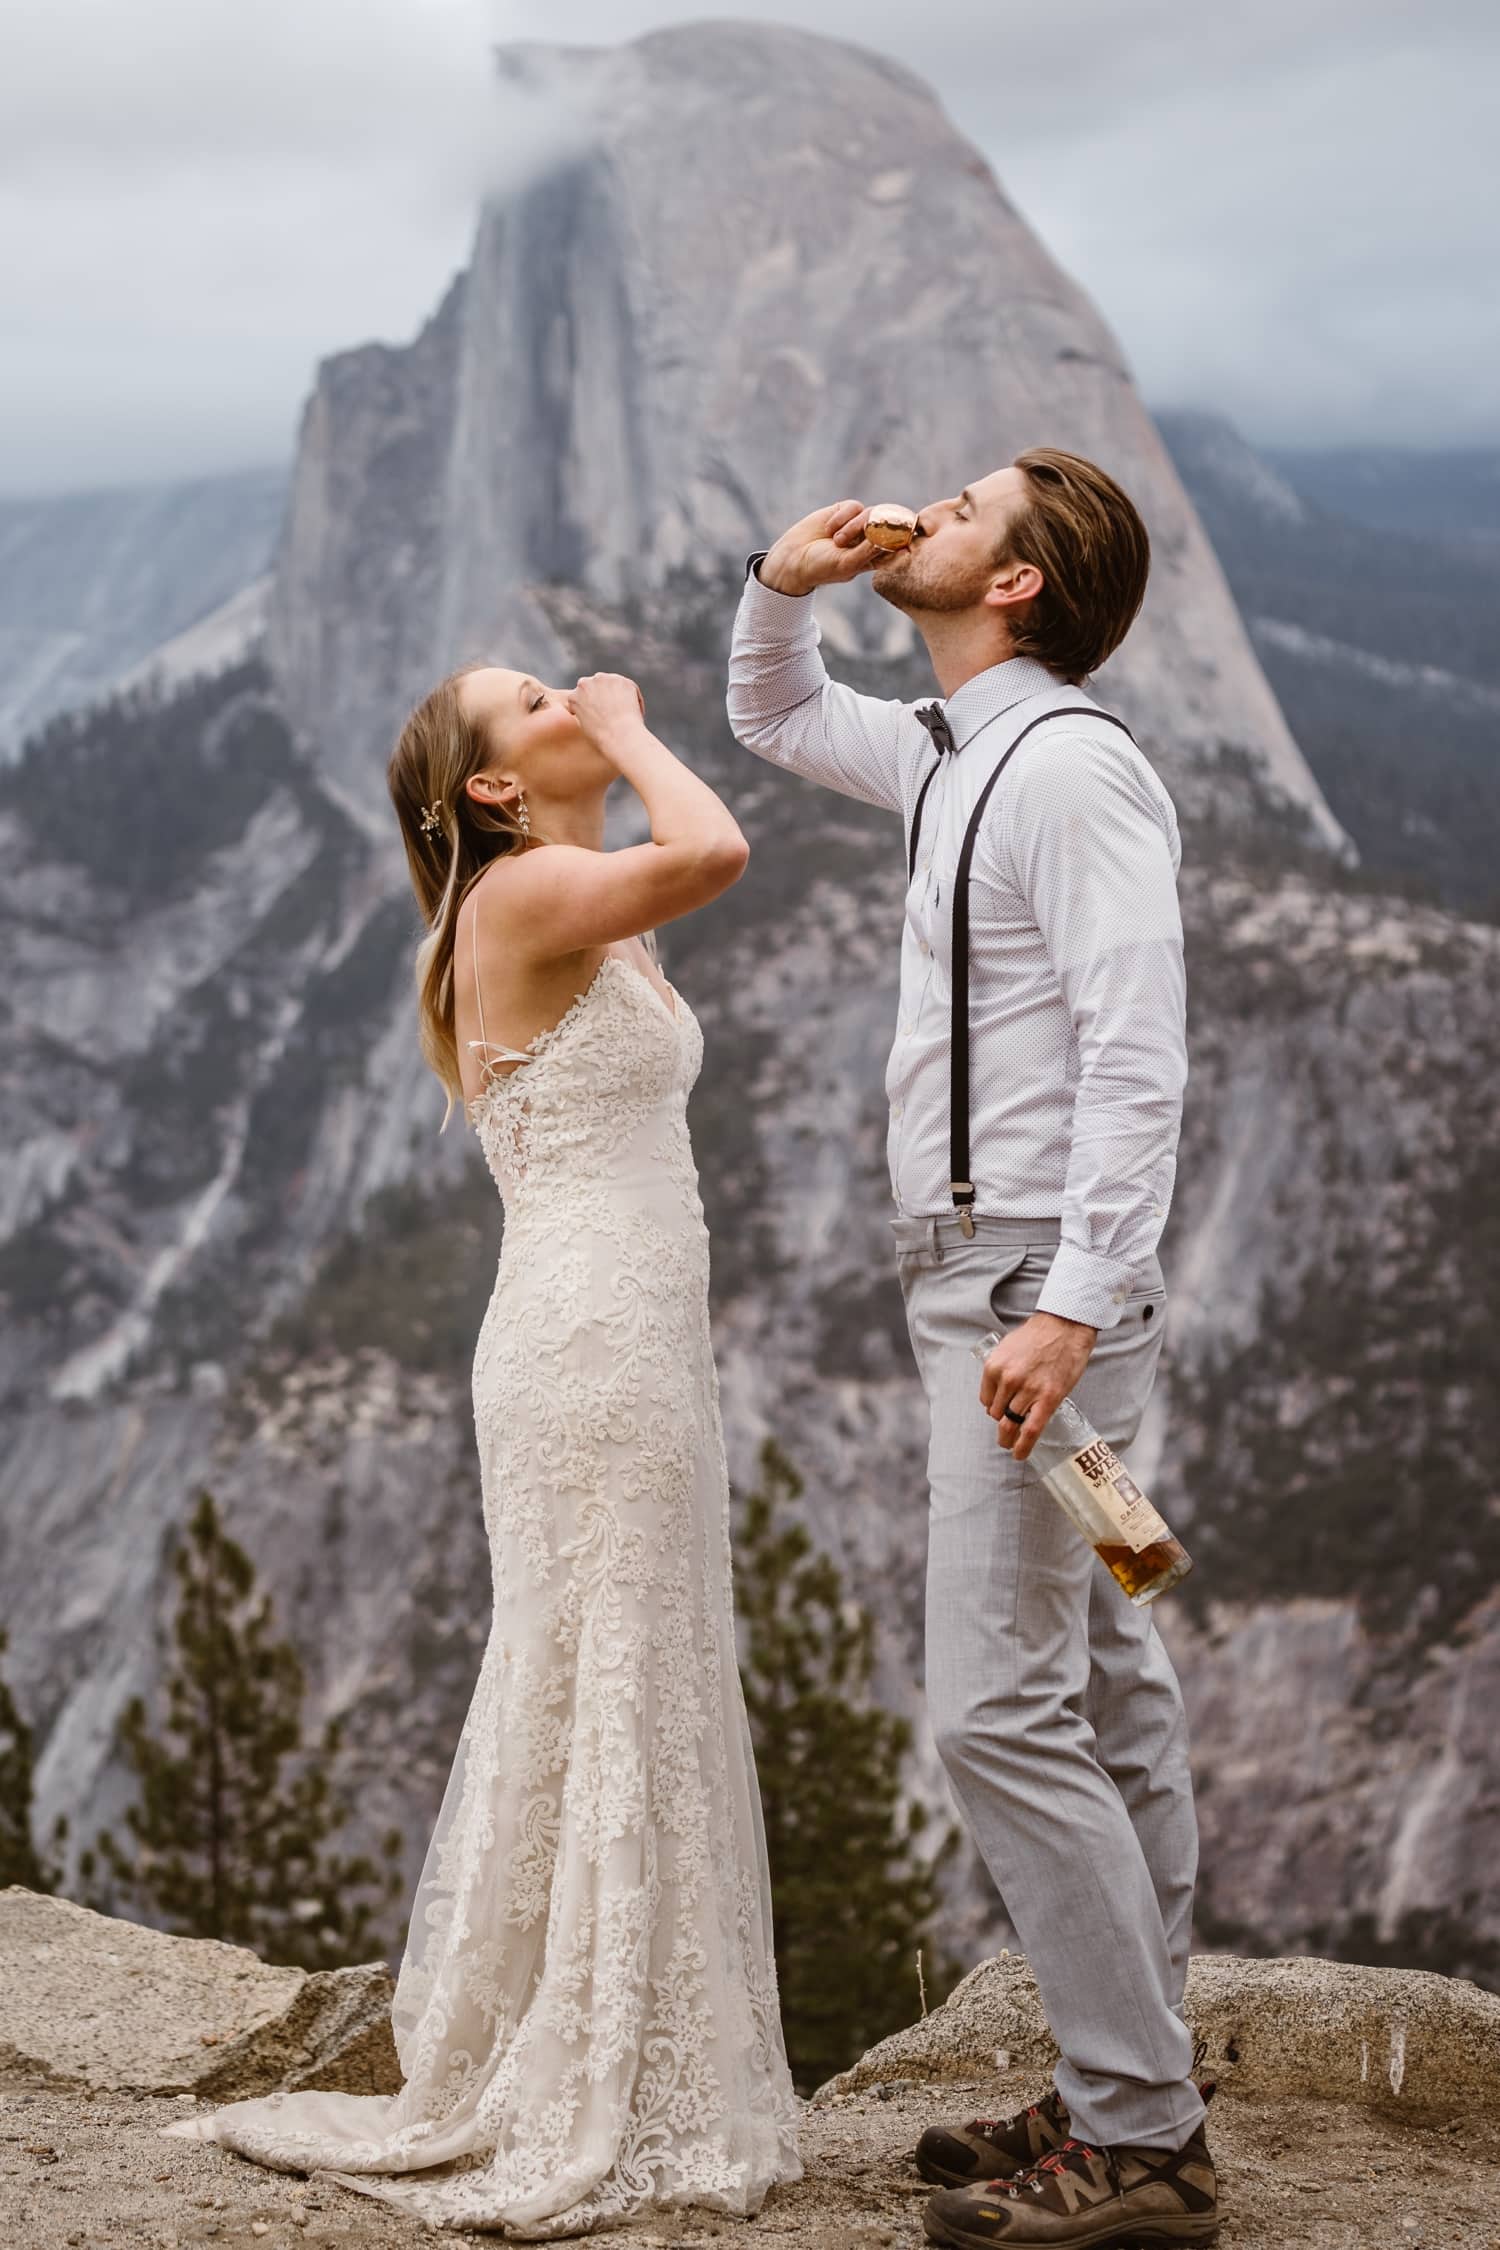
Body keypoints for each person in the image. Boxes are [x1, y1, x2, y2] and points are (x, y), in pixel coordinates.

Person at [162, 666, 803, 2237]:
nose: (569, 689)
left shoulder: (566, 897)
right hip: (592, 1345)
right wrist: (644, 728)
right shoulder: (527, 896)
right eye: (534, 698)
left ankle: (612, 2041)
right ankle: (589, 2064)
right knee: (609, 1659)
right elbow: (720, 849)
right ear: (495, 790)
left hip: (621, 1335)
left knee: (617, 1658)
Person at [726, 451, 1217, 2249]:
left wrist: (1074, 1299)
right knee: (1101, 1675)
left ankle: (1147, 2136)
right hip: (992, 1271)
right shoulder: (949, 750)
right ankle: (1128, 2070)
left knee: (999, 1706)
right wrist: (783, 580)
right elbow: (773, 715)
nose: (922, 508)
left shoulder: (1072, 766)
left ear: (1018, 583)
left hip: (1029, 1282)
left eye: (965, 504)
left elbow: (1134, 1046)